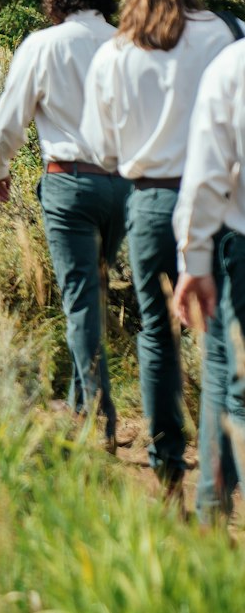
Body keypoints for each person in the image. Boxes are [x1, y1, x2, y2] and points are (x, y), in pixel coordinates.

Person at [79, 0, 242, 494]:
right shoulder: (219, 34)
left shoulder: (115, 53)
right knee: (221, 341)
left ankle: (167, 460)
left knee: (156, 332)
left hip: (147, 200)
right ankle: (217, 482)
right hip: (216, 200)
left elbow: (100, 149)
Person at [0, 0, 127, 447]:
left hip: (69, 182)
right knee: (93, 293)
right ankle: (80, 401)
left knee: (81, 295)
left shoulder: (43, 45)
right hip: (123, 185)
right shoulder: (128, 44)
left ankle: (97, 415)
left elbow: (8, 120)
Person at [173, 36, 245, 522]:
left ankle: (211, 513)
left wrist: (193, 262)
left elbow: (204, 175)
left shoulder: (234, 66)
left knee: (235, 384)